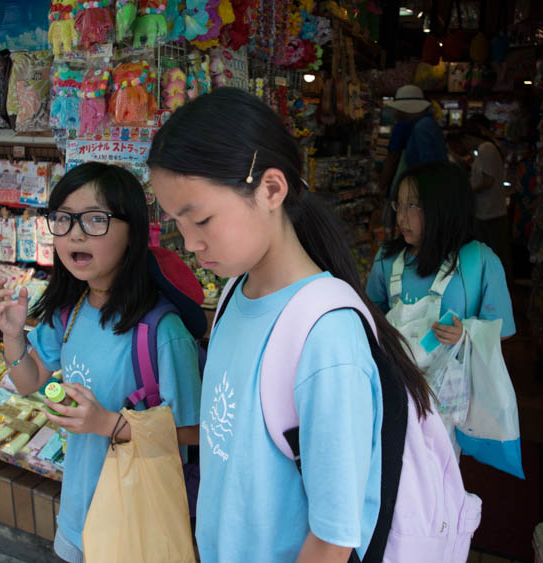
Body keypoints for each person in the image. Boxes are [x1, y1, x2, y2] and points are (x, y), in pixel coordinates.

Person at [148, 87, 441, 562]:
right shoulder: (232, 295)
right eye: (178, 224)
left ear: (271, 189)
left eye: (200, 219)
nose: (190, 244)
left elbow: (332, 539)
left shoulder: (327, 340)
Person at [0, 162, 202, 563]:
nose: (74, 233)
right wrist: (12, 335)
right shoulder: (68, 313)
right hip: (77, 513)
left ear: (133, 232)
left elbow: (193, 433)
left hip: (135, 520)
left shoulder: (162, 331)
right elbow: (28, 380)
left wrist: (107, 423)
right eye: (64, 220)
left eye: (94, 220)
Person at [366, 161, 515, 449]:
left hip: (447, 403)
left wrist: (467, 335)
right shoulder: (387, 259)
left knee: (438, 472)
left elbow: (503, 331)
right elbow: (370, 314)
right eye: (399, 205)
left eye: (413, 206)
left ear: (443, 208)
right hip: (391, 393)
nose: (402, 218)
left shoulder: (480, 262)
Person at [377, 84, 447, 202]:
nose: (396, 114)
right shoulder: (429, 124)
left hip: (424, 195)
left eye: (398, 110)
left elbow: (428, 168)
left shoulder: (421, 128)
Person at [464, 114, 512, 280]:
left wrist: (468, 190)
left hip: (489, 212)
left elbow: (487, 180)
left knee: (492, 254)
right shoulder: (487, 149)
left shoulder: (486, 149)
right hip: (489, 211)